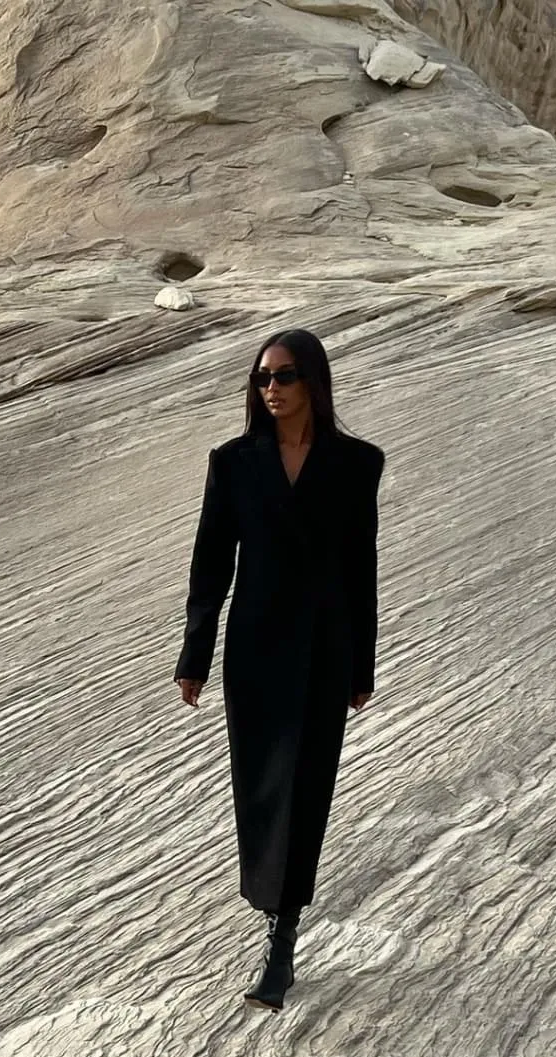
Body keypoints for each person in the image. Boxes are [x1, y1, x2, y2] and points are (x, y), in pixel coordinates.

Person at [173, 328, 386, 1013]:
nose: (272, 388)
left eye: (285, 375)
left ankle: (281, 939)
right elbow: (211, 564)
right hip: (256, 647)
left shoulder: (357, 463)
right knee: (264, 788)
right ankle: (273, 909)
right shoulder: (234, 462)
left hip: (325, 646)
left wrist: (361, 664)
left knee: (307, 785)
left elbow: (360, 567)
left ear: (314, 382)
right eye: (263, 377)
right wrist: (195, 655)